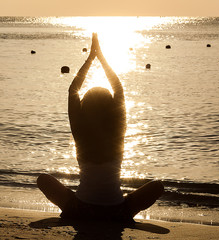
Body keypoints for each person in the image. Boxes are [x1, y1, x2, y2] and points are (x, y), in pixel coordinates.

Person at [37, 33, 164, 222]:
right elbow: (118, 89)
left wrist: (91, 57)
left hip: (81, 209)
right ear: (111, 111)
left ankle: (72, 214)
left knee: (43, 180)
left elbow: (73, 90)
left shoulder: (81, 134)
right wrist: (101, 57)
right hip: (117, 212)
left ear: (85, 109)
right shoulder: (117, 132)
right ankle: (124, 216)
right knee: (158, 186)